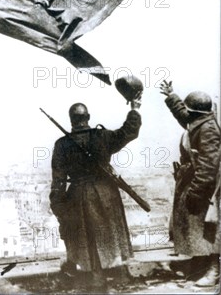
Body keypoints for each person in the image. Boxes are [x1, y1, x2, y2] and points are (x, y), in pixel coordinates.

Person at [49, 94, 142, 290]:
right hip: (107, 192)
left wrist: (58, 206)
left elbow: (58, 181)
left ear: (71, 119)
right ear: (88, 117)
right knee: (111, 232)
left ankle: (97, 277)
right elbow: (129, 132)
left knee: (88, 236)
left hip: (78, 195)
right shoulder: (103, 136)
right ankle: (119, 274)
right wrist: (134, 109)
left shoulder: (61, 144)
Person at [160, 80, 220, 287]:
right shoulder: (199, 122)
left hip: (205, 188)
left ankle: (213, 269)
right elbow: (184, 116)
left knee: (208, 229)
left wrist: (196, 191)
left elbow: (209, 167)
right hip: (194, 183)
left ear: (196, 112)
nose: (187, 115)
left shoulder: (208, 130)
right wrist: (171, 96)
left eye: (189, 110)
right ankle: (198, 264)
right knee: (196, 228)